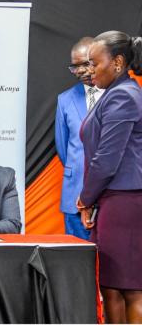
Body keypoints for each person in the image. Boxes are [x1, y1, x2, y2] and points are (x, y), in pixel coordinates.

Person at [77, 31, 142, 323]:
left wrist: (85, 199)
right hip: (114, 200)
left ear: (117, 62)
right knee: (112, 288)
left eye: (95, 63)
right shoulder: (115, 94)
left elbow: (106, 161)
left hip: (126, 203)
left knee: (132, 290)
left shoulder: (124, 96)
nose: (89, 70)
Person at [55, 37, 104, 240]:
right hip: (75, 193)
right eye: (75, 66)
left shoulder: (120, 95)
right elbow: (63, 148)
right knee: (77, 261)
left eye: (86, 64)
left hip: (113, 195)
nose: (81, 71)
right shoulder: (64, 100)